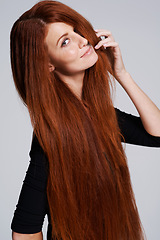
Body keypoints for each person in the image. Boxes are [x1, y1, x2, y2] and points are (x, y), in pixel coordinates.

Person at [10, 1, 160, 240]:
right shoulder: (51, 135)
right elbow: (25, 230)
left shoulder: (100, 114)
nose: (83, 40)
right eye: (65, 41)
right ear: (47, 64)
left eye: (76, 30)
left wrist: (121, 74)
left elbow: (158, 135)